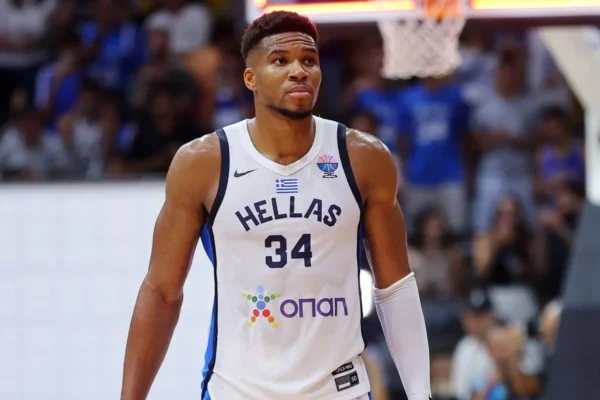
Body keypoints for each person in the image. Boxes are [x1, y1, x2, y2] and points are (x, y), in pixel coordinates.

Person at [120, 10, 431, 400]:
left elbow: (395, 288)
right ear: (250, 78)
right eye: (280, 61)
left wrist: (421, 394)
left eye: (309, 60)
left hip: (339, 390)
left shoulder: (364, 157)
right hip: (238, 391)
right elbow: (162, 292)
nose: (299, 71)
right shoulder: (203, 162)